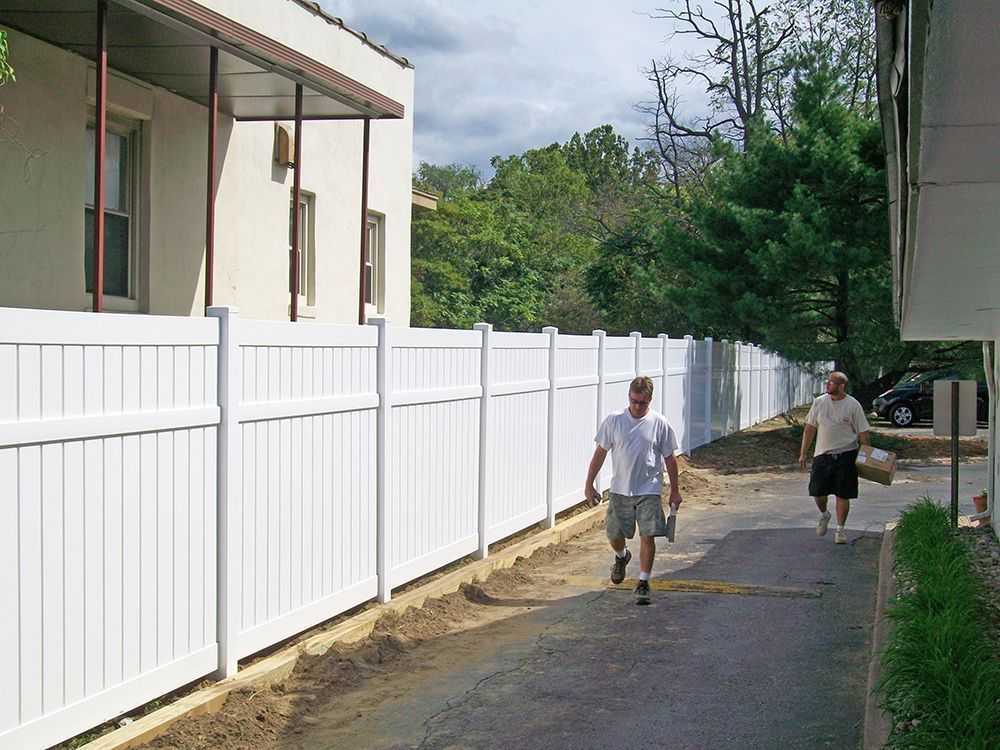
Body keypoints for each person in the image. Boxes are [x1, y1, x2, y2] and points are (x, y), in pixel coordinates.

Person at [585, 376, 683, 603]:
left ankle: (643, 582)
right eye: (634, 401)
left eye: (643, 403)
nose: (638, 407)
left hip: (649, 488)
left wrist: (675, 491)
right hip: (620, 489)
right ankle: (622, 556)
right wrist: (589, 484)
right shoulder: (614, 421)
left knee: (647, 536)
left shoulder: (659, 423)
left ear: (650, 400)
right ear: (629, 397)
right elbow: (600, 453)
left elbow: (670, 458)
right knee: (614, 535)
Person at [798, 371, 871, 544]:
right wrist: (803, 453)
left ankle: (840, 530)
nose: (828, 385)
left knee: (842, 493)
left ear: (841, 386)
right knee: (818, 491)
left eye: (832, 382)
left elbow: (864, 434)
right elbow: (809, 428)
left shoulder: (853, 405)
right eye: (827, 382)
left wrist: (866, 455)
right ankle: (824, 514)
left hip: (846, 454)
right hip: (823, 454)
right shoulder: (820, 402)